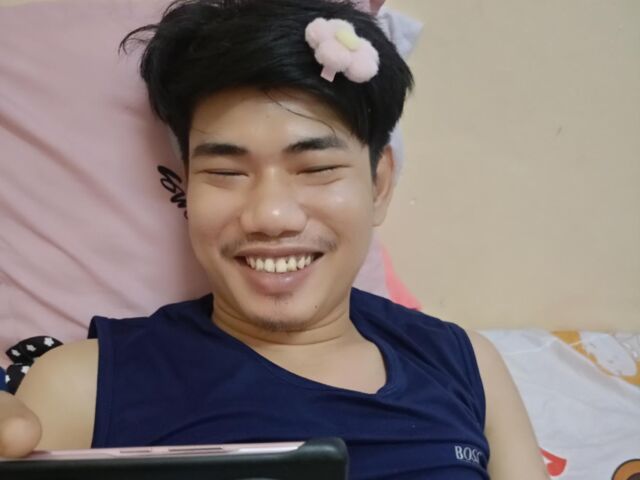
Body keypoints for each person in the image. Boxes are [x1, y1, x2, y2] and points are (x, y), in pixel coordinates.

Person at [0, 0, 549, 478]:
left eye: (316, 169)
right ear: (186, 187)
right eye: (226, 173)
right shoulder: (85, 384)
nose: (271, 216)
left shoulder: (466, 363)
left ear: (379, 184)